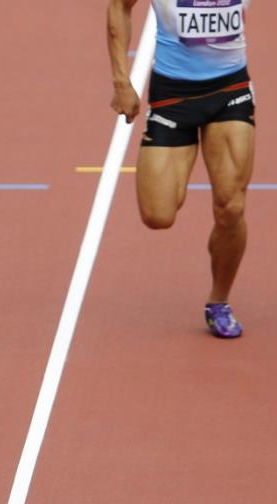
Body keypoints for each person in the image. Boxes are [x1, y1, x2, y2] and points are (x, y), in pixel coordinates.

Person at [108, 0, 254, 338]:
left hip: (231, 90)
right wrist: (121, 80)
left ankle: (219, 301)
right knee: (157, 215)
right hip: (173, 96)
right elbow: (118, 6)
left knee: (231, 207)